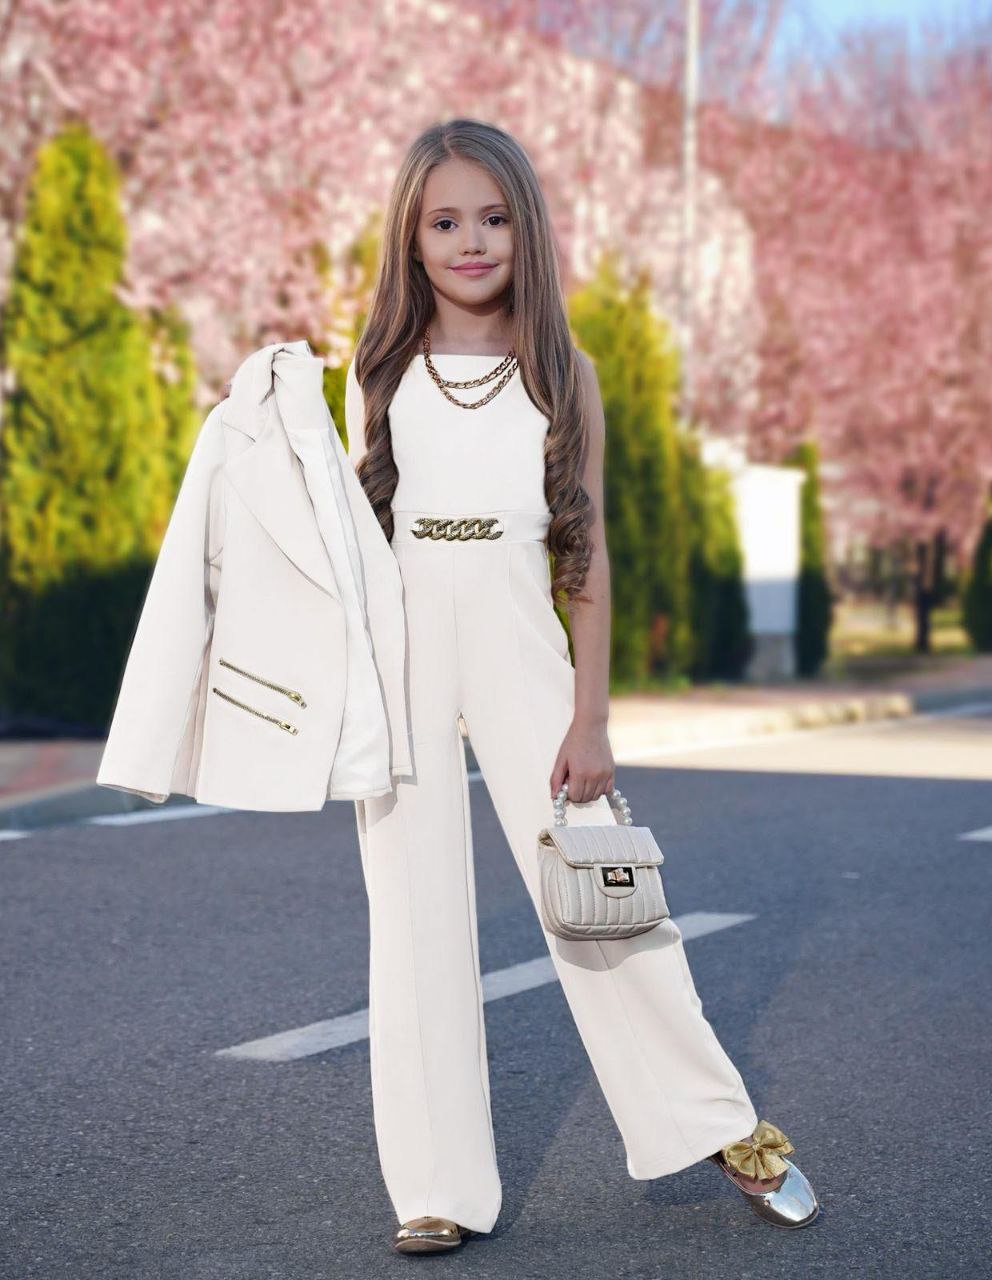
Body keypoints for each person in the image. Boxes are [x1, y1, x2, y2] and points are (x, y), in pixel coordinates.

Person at [343, 118, 820, 1255]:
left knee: (607, 892)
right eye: (445, 221)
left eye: (494, 218)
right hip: (403, 657)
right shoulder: (379, 370)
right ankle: (438, 1184)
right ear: (411, 239)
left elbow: (582, 552)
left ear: (528, 230)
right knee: (409, 922)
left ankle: (714, 1118)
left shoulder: (565, 373)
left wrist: (590, 712)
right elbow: (359, 535)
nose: (471, 241)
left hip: (522, 652)